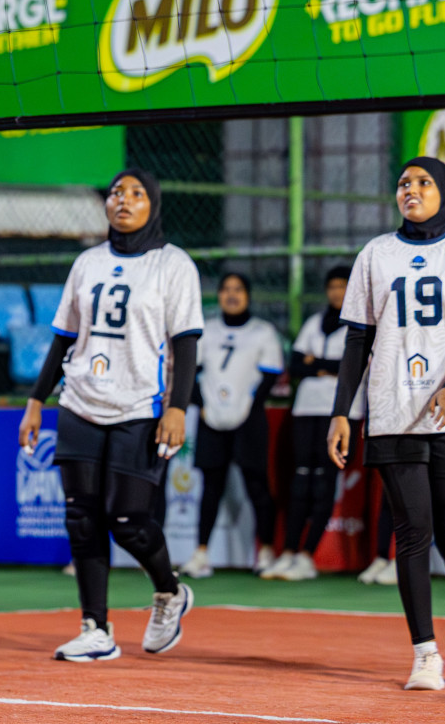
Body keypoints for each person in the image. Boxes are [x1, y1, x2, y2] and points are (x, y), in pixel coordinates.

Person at [328, 156, 445, 691]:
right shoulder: (375, 253)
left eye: (424, 182)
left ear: (444, 191)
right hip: (392, 411)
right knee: (412, 532)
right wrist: (342, 410)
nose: (411, 190)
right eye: (404, 183)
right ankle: (424, 652)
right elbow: (358, 339)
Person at [19, 169, 203, 663]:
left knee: (128, 520)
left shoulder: (173, 264)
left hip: (140, 406)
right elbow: (63, 337)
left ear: (153, 204)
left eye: (137, 193)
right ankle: (96, 628)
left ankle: (169, 591)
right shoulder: (88, 262)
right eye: (117, 192)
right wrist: (37, 400)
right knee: (81, 518)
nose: (124, 200)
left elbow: (186, 343)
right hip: (79, 401)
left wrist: (178, 407)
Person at [180, 273, 283, 579]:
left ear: (248, 295)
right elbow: (189, 372)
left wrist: (248, 406)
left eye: (238, 289)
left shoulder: (262, 332)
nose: (232, 295)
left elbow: (270, 375)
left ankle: (266, 551)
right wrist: (203, 405)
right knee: (210, 487)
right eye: (226, 289)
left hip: (248, 419)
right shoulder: (207, 331)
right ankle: (201, 554)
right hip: (211, 419)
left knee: (257, 486)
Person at [274, 265, 358, 581]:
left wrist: (317, 364)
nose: (337, 292)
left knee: (324, 481)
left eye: (343, 286)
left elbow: (354, 364)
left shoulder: (358, 324)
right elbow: (296, 364)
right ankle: (289, 552)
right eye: (332, 286)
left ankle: (308, 555)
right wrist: (326, 367)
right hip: (305, 408)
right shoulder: (314, 323)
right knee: (300, 480)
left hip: (338, 412)